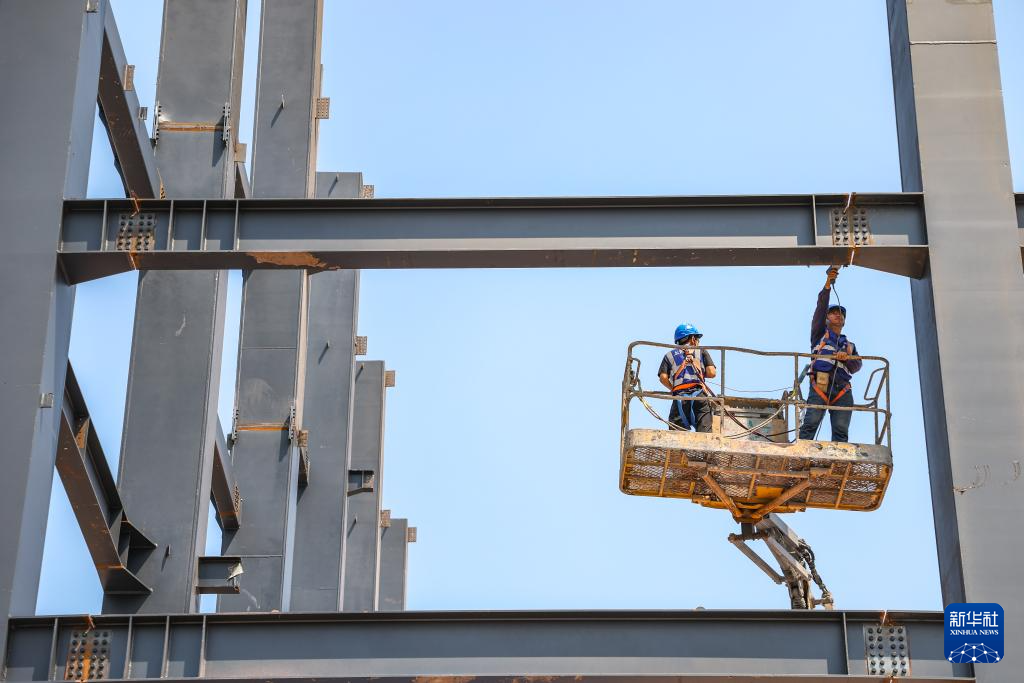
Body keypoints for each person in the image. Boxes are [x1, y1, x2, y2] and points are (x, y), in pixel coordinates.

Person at [798, 267, 862, 442]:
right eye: (833, 313)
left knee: (841, 430)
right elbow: (821, 307)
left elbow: (857, 366)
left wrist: (848, 359)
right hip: (821, 383)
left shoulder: (849, 345)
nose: (838, 316)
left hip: (842, 388)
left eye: (840, 314)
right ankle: (801, 454)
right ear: (827, 318)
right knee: (811, 423)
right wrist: (828, 284)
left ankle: (839, 462)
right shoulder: (819, 334)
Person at [658, 323, 717, 433]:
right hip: (699, 396)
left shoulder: (669, 355)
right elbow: (712, 373)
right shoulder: (701, 351)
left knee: (676, 436)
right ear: (693, 338)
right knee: (705, 435)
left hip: (679, 398)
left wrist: (673, 388)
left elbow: (663, 377)